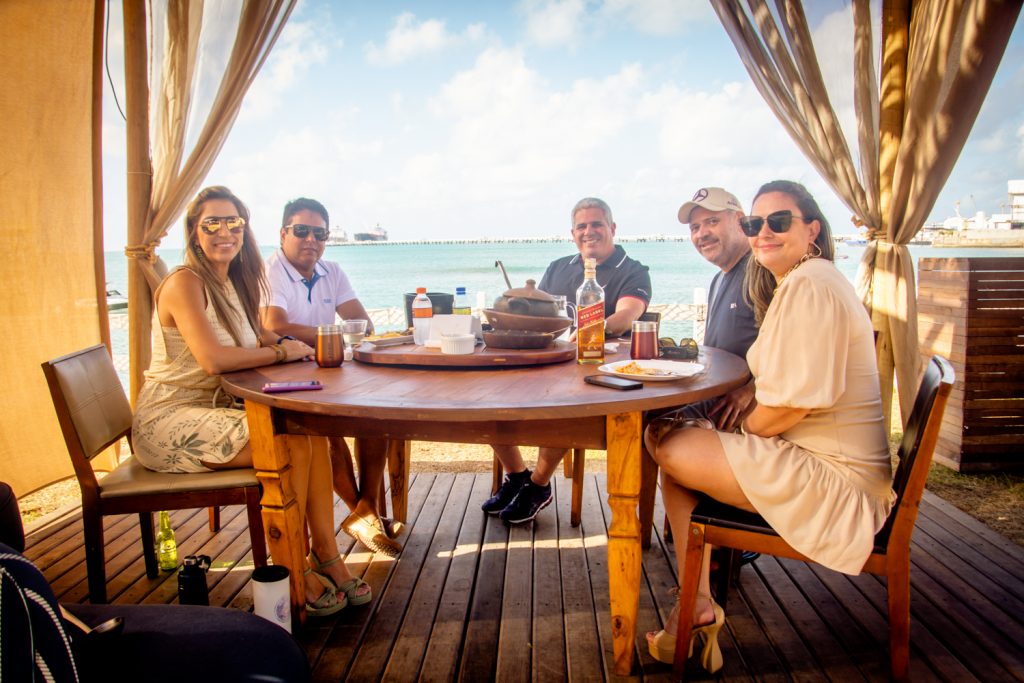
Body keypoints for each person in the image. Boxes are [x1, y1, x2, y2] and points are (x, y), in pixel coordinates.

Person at [643, 180, 894, 671]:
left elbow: (788, 409)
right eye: (757, 224)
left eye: (779, 222)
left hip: (838, 485)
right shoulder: (800, 282)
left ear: (813, 229)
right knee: (675, 459)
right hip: (815, 457)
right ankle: (694, 603)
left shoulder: (812, 284)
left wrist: (732, 435)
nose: (764, 233)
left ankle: (695, 602)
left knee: (666, 442)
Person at [132, 186, 371, 616]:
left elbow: (257, 333)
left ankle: (328, 555)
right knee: (291, 443)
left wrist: (285, 343)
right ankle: (293, 566)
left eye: (234, 223)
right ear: (194, 231)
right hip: (170, 419)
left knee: (308, 430)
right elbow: (213, 359)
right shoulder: (185, 283)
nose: (225, 231)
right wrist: (282, 352)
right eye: (213, 223)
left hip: (217, 409)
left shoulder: (232, 281)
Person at [485, 197, 652, 524]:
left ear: (612, 228)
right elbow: (540, 314)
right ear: (573, 233)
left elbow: (628, 314)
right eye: (582, 226)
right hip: (553, 361)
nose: (589, 232)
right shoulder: (559, 267)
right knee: (491, 389)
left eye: (596, 224)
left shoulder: (633, 270)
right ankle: (517, 475)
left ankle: (538, 485)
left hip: (599, 370)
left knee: (565, 402)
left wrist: (594, 329)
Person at [261, 197, 402, 556]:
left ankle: (365, 510)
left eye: (319, 233)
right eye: (301, 231)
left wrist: (329, 338)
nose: (311, 240)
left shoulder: (333, 271)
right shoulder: (271, 271)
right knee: (327, 432)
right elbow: (274, 326)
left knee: (376, 416)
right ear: (283, 234)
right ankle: (366, 514)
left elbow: (364, 325)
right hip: (283, 374)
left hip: (329, 369)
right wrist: (331, 335)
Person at [676, 186, 757, 431]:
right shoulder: (719, 279)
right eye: (695, 227)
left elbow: (790, 346)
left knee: (659, 428)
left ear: (740, 221)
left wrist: (752, 390)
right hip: (713, 393)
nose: (702, 233)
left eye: (712, 221)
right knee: (645, 416)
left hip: (737, 407)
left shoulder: (760, 271)